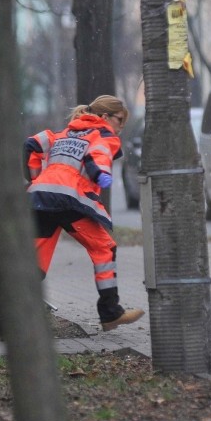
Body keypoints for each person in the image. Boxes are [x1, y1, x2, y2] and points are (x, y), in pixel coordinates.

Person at [24, 95, 144, 332]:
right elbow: (96, 154)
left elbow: (31, 144)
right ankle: (110, 313)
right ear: (104, 117)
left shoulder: (63, 133)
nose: (121, 127)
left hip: (41, 197)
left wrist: (36, 178)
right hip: (69, 201)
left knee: (34, 266)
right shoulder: (103, 135)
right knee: (104, 248)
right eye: (120, 120)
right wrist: (100, 174)